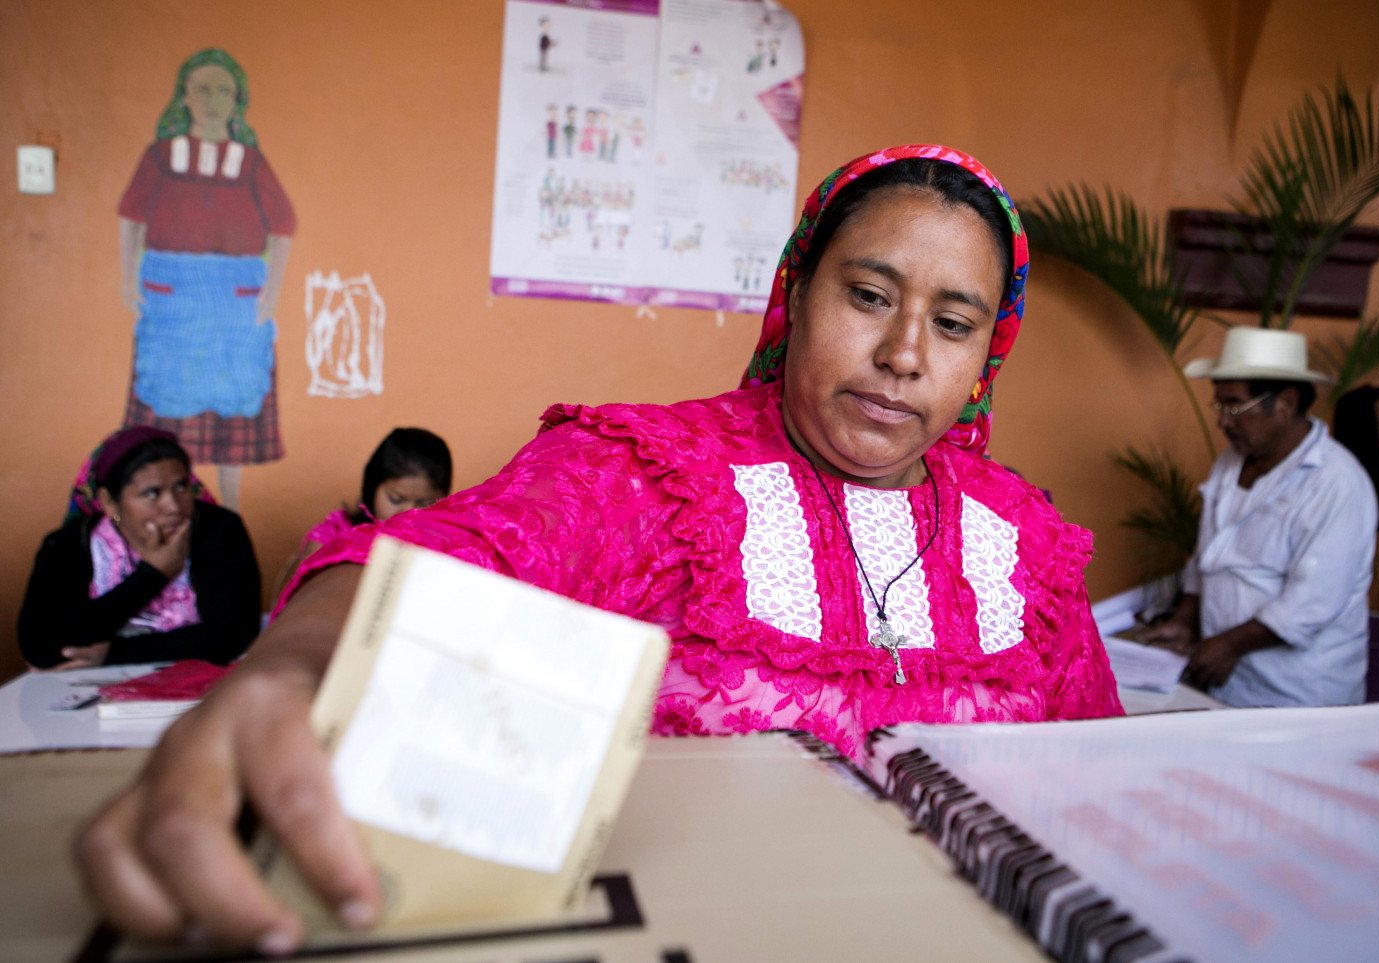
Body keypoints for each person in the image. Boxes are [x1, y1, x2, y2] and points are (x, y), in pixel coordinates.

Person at [76, 145, 1121, 951]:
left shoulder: (1024, 544)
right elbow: (435, 555)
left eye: (953, 323)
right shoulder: (655, 474)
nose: (902, 355)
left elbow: (1108, 790)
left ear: (989, 356)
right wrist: (304, 663)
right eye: (868, 296)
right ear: (796, 293)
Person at [1139, 327, 1378, 707]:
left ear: (1284, 402)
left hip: (1297, 694)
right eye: (1219, 406)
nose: (1224, 421)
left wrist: (1230, 645)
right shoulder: (1229, 464)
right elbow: (1209, 555)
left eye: (1234, 406)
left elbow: (1312, 604)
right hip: (1227, 679)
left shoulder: (1337, 483)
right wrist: (1185, 621)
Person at [118, 48, 296, 510]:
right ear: (184, 98)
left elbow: (283, 226)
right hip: (171, 296)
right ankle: (171, 504)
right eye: (202, 89)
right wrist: (127, 279)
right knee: (170, 402)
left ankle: (229, 510)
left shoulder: (250, 162)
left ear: (238, 100)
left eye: (223, 90)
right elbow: (132, 218)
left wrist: (271, 293)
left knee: (231, 404)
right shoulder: (162, 157)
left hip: (235, 301)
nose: (212, 99)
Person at [18, 427, 262, 669]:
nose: (173, 506)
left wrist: (114, 653)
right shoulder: (69, 545)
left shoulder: (219, 530)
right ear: (109, 502)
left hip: (202, 685)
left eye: (181, 487)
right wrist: (154, 573)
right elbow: (43, 647)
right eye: (152, 493)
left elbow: (231, 635)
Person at [270, 428, 452, 600]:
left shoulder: (450, 544)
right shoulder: (334, 535)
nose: (407, 513)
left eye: (426, 504)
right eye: (396, 499)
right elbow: (299, 597)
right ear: (371, 488)